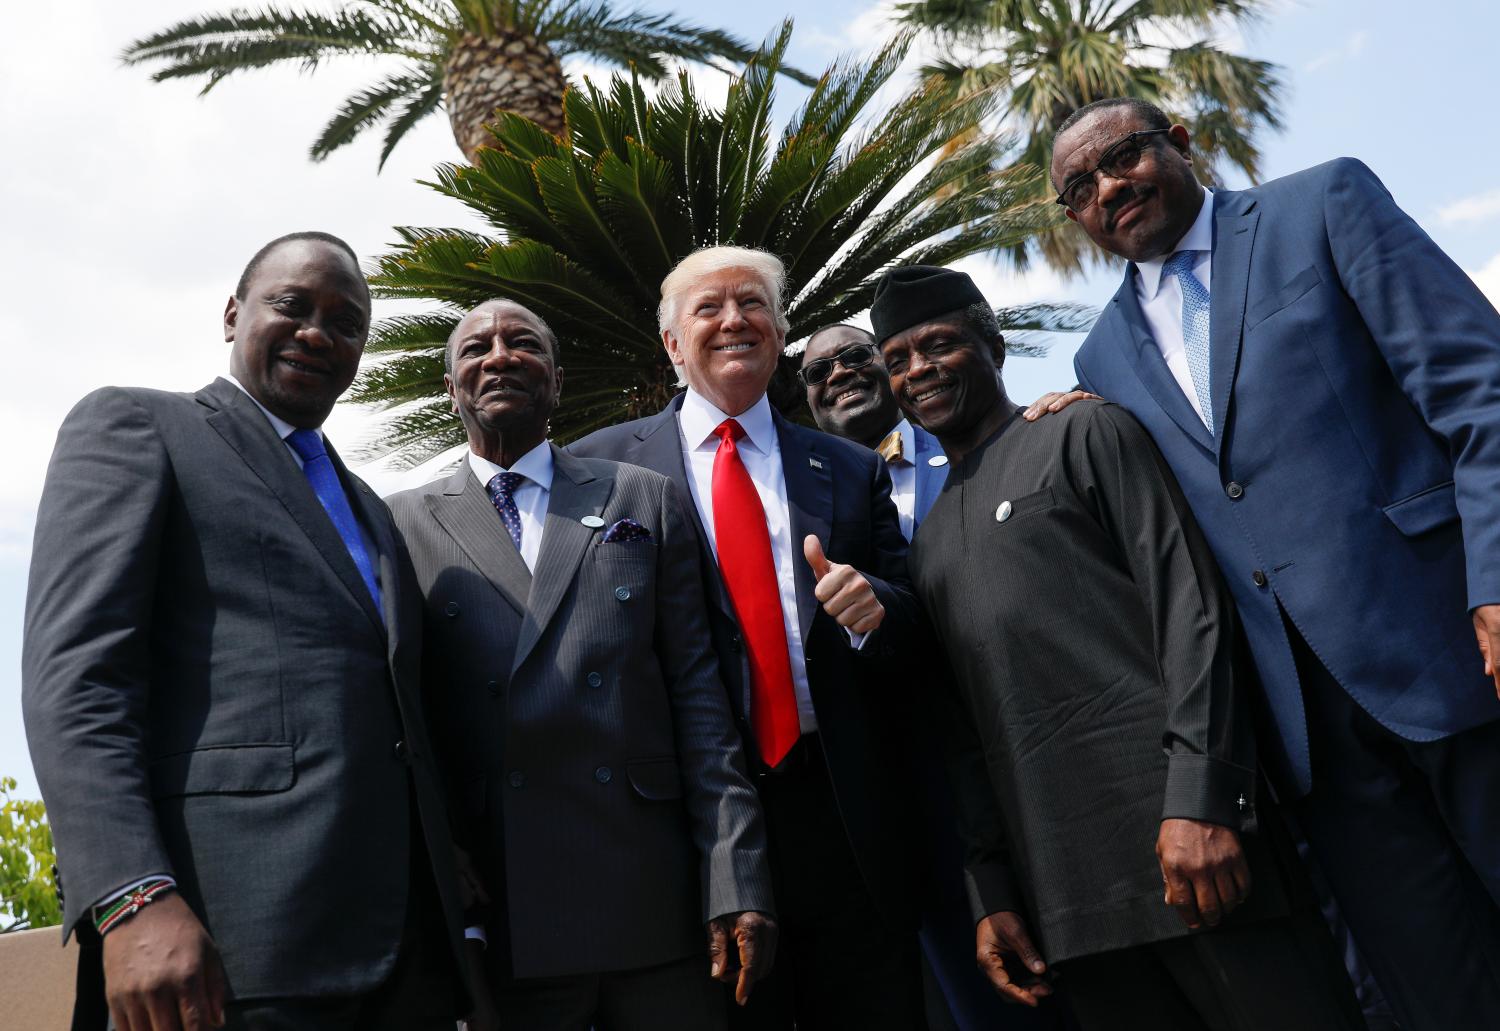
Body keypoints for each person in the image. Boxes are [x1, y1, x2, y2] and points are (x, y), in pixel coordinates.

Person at [1053, 96, 1500, 1028]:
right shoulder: (1100, 359)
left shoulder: (1321, 204)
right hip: (1311, 739)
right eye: (1080, 189)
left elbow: (1479, 396)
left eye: (1123, 156)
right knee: (1442, 994)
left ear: (1178, 142)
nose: (1108, 188)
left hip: (1456, 645)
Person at [872, 264, 1365, 1030]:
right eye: (897, 360)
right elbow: (964, 733)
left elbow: (1192, 612)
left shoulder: (1084, 432)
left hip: (1198, 857)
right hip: (1069, 899)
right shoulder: (929, 542)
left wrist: (1204, 799)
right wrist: (993, 890)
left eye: (938, 344)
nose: (917, 371)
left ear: (992, 342)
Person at [21, 232, 469, 1030]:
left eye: (347, 322)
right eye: (292, 306)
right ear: (233, 313)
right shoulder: (138, 427)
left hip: (409, 960)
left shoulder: (373, 508)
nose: (317, 333)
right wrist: (131, 896)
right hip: (225, 951)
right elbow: (77, 680)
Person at [386, 299, 778, 1029]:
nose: (499, 356)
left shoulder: (641, 496)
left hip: (650, 892)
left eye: (522, 343)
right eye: (475, 348)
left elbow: (699, 698)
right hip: (505, 907)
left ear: (558, 380)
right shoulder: (401, 522)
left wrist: (735, 873)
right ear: (450, 388)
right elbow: (400, 716)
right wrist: (439, 857)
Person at [570, 246, 927, 1029]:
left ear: (780, 331)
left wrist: (876, 609)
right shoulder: (595, 470)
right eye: (709, 307)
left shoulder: (845, 467)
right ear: (671, 344)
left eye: (753, 304)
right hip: (683, 826)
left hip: (840, 812)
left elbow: (914, 618)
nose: (735, 319)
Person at [800, 324, 1078, 1031]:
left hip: (1045, 743)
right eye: (817, 370)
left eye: (857, 357)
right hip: (929, 793)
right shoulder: (813, 511)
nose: (837, 374)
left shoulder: (981, 444)